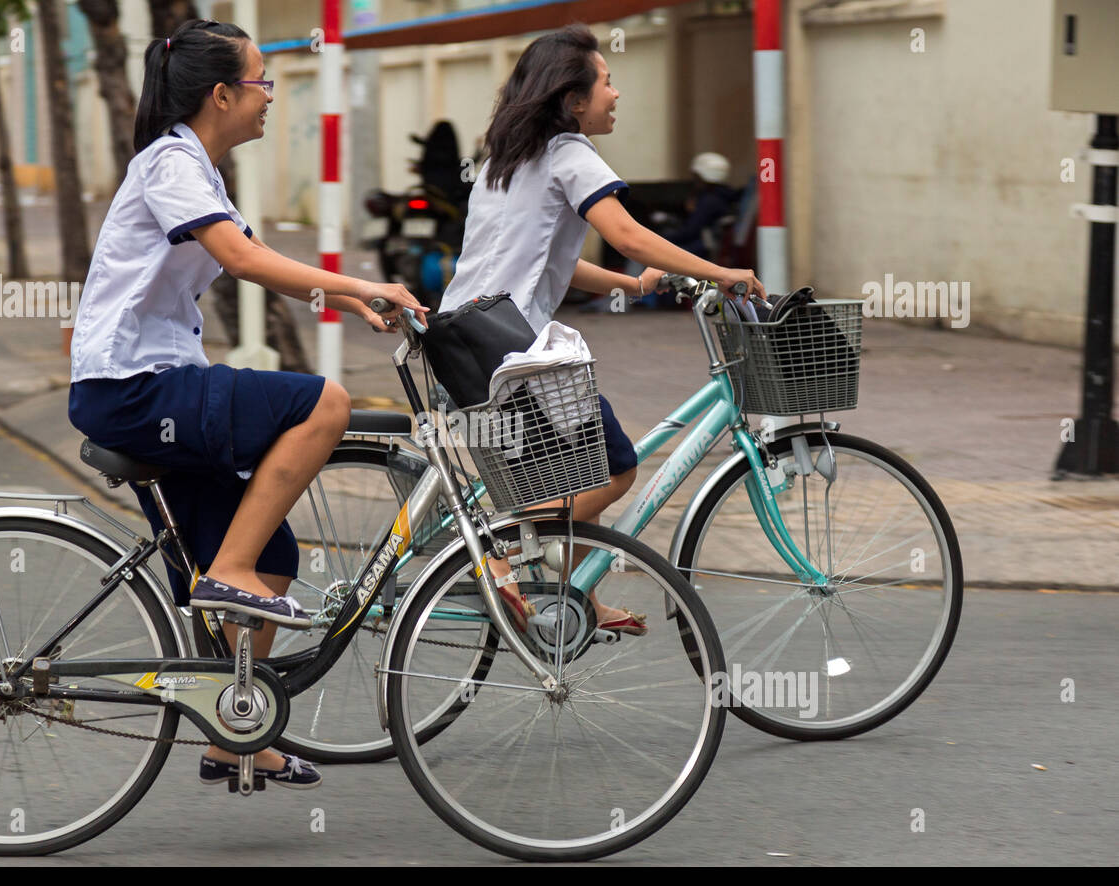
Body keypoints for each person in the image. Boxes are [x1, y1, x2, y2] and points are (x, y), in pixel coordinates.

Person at [67, 19, 425, 790]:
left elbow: (250, 256)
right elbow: (241, 257)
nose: (268, 97)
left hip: (149, 384)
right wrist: (361, 285)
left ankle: (234, 732)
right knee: (323, 404)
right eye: (261, 83)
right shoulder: (170, 163)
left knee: (274, 559)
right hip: (133, 389)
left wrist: (351, 300)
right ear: (221, 94)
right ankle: (223, 569)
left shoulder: (197, 168)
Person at [439, 24, 765, 634]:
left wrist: (630, 284)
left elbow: (543, 258)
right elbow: (627, 235)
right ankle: (498, 556)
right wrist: (724, 272)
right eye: (608, 82)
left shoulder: (503, 162)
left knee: (574, 475)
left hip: (464, 338)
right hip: (512, 349)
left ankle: (577, 601)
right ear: (573, 99)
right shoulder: (569, 154)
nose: (616, 94)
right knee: (615, 467)